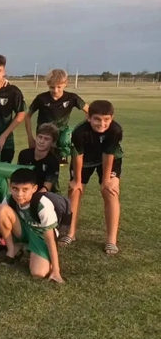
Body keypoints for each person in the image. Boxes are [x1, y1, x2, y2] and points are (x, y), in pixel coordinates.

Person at [0, 168, 64, 283]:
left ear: (34, 189)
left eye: (25, 189)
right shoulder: (9, 199)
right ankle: (12, 250)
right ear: (10, 187)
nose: (19, 194)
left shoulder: (43, 205)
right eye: (15, 189)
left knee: (38, 273)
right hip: (23, 229)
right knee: (0, 210)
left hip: (41, 235)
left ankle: (30, 250)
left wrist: (56, 269)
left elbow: (50, 239)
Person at [65, 100, 122, 254]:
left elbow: (108, 154)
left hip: (109, 160)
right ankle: (70, 233)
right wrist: (77, 181)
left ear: (112, 118)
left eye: (106, 119)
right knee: (74, 192)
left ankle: (111, 240)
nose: (101, 123)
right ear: (88, 117)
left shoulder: (115, 130)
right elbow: (78, 156)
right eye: (97, 119)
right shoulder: (79, 131)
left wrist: (106, 181)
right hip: (84, 160)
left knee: (110, 192)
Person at [25, 69, 89, 162]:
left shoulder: (72, 98)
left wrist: (81, 129)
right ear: (47, 84)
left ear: (66, 83)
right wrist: (30, 137)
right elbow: (27, 115)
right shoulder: (41, 98)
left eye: (59, 87)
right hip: (44, 134)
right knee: (43, 161)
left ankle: (63, 157)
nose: (55, 90)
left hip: (62, 135)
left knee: (59, 161)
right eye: (52, 87)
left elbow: (90, 112)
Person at [18, 123, 61, 193]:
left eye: (46, 139)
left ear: (53, 142)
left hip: (44, 195)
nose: (41, 141)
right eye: (40, 137)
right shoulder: (24, 154)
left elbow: (46, 188)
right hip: (24, 192)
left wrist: (32, 198)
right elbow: (19, 178)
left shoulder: (53, 161)